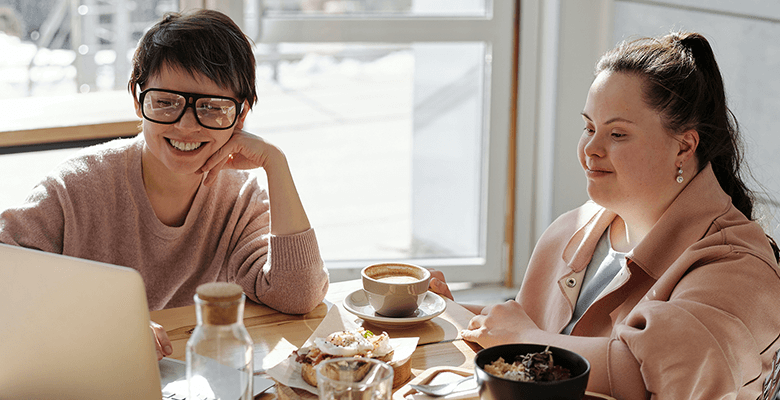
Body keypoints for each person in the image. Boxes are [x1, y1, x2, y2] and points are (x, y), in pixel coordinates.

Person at [429, 31, 780, 399]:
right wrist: (445, 308)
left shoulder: (737, 266)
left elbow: (653, 375)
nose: (591, 149)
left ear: (684, 146)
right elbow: (535, 330)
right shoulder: (573, 229)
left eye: (617, 134)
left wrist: (523, 339)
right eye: (589, 128)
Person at [0, 10, 329, 360]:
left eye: (212, 107)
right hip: (82, 370)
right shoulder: (77, 184)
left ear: (241, 115)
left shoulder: (240, 198)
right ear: (137, 99)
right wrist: (107, 320)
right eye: (166, 103)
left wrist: (275, 164)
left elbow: (298, 295)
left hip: (190, 376)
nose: (186, 126)